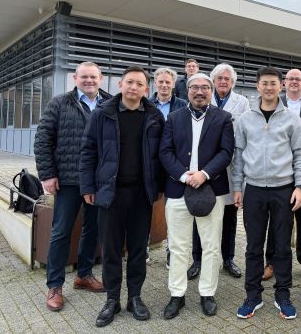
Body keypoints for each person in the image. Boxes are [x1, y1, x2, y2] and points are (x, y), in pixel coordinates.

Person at [80, 66, 165, 328]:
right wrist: (88, 187)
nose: (134, 87)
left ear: (146, 89)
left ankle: (135, 298)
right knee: (111, 249)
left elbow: (161, 155)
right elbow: (88, 151)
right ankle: (112, 299)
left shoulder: (154, 116)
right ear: (120, 84)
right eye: (130, 82)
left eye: (139, 84)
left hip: (141, 194)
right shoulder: (102, 114)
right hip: (110, 193)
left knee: (138, 249)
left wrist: (160, 187)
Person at [232, 67, 301, 320]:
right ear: (258, 86)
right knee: (253, 246)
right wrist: (237, 187)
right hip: (253, 190)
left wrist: (299, 186)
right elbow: (238, 155)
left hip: (283, 190)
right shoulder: (246, 119)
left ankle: (283, 295)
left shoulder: (291, 119)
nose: (269, 87)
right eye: (264, 83)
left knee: (282, 246)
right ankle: (252, 295)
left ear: (281, 86)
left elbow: (300, 153)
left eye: (273, 83)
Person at [34, 61, 110, 311]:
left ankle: (84, 275)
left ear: (100, 78)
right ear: (75, 78)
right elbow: (43, 138)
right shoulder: (59, 103)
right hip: (68, 179)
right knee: (61, 231)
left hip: (98, 181)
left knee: (93, 229)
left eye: (93, 77)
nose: (89, 81)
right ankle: (55, 286)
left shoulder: (110, 103)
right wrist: (47, 174)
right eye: (84, 77)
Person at [159, 73, 235, 318]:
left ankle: (207, 293)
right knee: (178, 246)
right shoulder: (173, 118)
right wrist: (184, 176)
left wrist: (204, 174)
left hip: (211, 189)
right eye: (195, 87)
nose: (200, 91)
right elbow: (165, 152)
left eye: (205, 87)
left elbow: (226, 152)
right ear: (187, 90)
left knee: (211, 245)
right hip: (178, 189)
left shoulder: (223, 118)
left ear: (211, 91)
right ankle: (177, 295)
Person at [187, 63, 249, 281]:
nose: (223, 82)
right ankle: (197, 259)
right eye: (219, 78)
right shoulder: (203, 98)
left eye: (227, 79)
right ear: (213, 82)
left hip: (230, 168)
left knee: (229, 218)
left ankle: (228, 259)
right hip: (204, 168)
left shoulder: (243, 102)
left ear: (232, 82)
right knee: (200, 213)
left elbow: (244, 135)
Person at [263, 68, 301, 282]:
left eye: (299, 79)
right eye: (290, 79)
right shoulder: (275, 102)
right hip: (279, 169)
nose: (294, 82)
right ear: (284, 83)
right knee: (276, 220)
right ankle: (271, 261)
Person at [150, 67, 188, 268]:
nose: (164, 85)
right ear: (155, 83)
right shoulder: (146, 104)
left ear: (173, 84)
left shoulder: (183, 105)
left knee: (174, 212)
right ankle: (143, 249)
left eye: (168, 82)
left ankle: (171, 253)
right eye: (161, 81)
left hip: (174, 165)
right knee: (147, 209)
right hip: (151, 165)